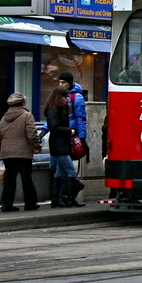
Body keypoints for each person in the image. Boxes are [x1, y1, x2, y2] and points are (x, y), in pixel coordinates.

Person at [0, 92, 41, 212]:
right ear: (23, 103)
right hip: (23, 152)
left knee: (10, 179)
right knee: (26, 178)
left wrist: (0, 149)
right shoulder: (27, 115)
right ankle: (30, 203)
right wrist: (36, 146)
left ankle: (6, 204)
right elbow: (31, 133)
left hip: (7, 153)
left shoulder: (4, 118)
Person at [45, 87, 84, 208]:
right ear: (58, 97)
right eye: (64, 97)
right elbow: (54, 127)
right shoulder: (53, 110)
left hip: (60, 144)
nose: (67, 99)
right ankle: (67, 197)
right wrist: (70, 131)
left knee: (59, 173)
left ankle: (57, 199)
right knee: (70, 171)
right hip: (59, 145)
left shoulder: (61, 110)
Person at [59, 71, 87, 202]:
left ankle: (70, 195)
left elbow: (80, 118)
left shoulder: (76, 97)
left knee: (69, 167)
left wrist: (81, 137)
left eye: (63, 82)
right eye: (59, 82)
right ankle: (68, 194)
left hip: (71, 134)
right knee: (62, 167)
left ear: (69, 83)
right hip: (64, 133)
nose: (61, 84)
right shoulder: (60, 96)